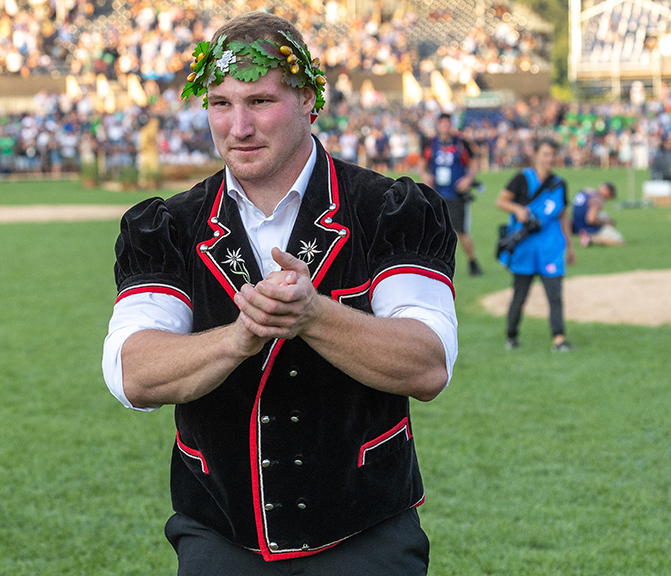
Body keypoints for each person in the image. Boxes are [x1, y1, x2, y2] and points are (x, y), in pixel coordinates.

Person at [102, 12, 458, 575]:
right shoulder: (169, 226)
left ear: (310, 99)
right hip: (221, 540)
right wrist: (238, 338)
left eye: (260, 101)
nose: (238, 126)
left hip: (366, 540)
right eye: (221, 104)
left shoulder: (388, 211)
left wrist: (315, 315)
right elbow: (133, 373)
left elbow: (428, 363)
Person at [496, 137, 575, 352]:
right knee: (520, 295)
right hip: (525, 248)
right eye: (546, 154)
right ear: (536, 155)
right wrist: (518, 209)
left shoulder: (559, 184)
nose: (550, 159)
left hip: (551, 247)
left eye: (553, 155)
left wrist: (570, 246)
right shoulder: (522, 179)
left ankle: (559, 339)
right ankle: (511, 336)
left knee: (555, 296)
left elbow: (563, 216)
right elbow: (501, 201)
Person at [419, 112, 483, 276]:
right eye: (442, 123)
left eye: (448, 123)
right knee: (433, 230)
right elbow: (422, 163)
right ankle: (432, 265)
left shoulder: (461, 143)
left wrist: (469, 178)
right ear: (438, 125)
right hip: (436, 193)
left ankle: (472, 261)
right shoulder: (431, 143)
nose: (445, 127)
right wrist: (425, 175)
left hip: (456, 194)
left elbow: (474, 161)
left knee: (461, 230)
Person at [571, 182, 625, 246]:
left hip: (576, 225)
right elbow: (591, 220)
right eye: (610, 195)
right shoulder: (597, 199)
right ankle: (590, 238)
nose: (608, 198)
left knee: (603, 215)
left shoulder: (585, 192)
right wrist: (605, 222)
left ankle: (586, 236)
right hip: (588, 228)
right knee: (620, 241)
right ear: (607, 190)